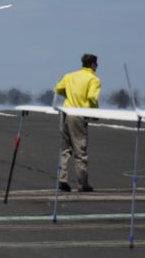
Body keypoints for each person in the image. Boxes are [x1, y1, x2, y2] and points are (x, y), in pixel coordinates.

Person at [54, 53, 101, 192]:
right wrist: (95, 111)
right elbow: (92, 96)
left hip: (65, 112)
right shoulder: (94, 79)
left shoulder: (70, 76)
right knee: (80, 150)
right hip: (78, 115)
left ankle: (62, 179)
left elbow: (57, 88)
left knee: (65, 149)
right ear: (92, 64)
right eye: (96, 64)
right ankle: (83, 183)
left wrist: (69, 95)